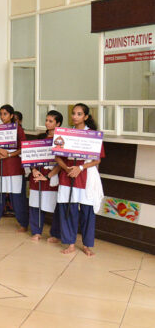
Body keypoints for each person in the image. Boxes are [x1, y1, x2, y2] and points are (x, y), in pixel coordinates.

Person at [55, 103, 104, 256]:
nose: (75, 116)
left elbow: (97, 160)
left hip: (86, 177)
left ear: (86, 117)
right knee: (68, 210)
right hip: (68, 176)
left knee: (87, 212)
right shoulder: (65, 134)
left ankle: (87, 245)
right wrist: (67, 168)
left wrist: (81, 168)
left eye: (79, 114)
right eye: (73, 113)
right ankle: (70, 243)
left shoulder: (93, 135)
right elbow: (57, 156)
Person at [0, 104, 28, 231]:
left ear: (11, 115)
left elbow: (24, 148)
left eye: (5, 114)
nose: (2, 116)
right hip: (0, 167)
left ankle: (23, 223)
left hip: (14, 167)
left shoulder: (18, 130)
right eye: (1, 114)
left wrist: (9, 154)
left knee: (17, 196)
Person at [28, 110, 63, 243]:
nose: (47, 123)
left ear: (58, 124)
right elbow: (31, 157)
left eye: (50, 121)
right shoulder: (39, 138)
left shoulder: (61, 140)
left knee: (55, 206)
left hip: (52, 177)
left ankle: (55, 234)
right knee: (35, 204)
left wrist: (48, 176)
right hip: (37, 175)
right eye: (46, 120)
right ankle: (36, 231)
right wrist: (33, 170)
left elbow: (61, 162)